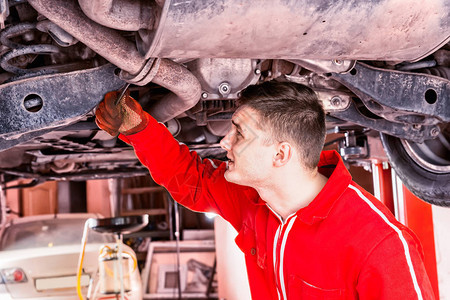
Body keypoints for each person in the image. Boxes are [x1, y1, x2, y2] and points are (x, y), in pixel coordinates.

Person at [95, 81, 434, 299]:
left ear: (280, 154)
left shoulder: (380, 244)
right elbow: (191, 180)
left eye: (239, 133)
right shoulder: (254, 200)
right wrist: (137, 127)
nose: (224, 142)